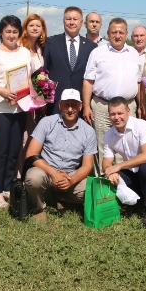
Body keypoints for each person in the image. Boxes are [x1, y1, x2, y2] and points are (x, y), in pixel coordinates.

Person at [24, 89, 97, 222]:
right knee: (33, 178)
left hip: (70, 174)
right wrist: (54, 173)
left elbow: (87, 165)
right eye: (66, 104)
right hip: (46, 171)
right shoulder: (46, 122)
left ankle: (61, 197)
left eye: (74, 105)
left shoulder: (89, 131)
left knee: (92, 191)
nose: (70, 109)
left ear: (80, 106)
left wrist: (71, 180)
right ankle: (39, 208)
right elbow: (31, 154)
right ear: (59, 105)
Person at [0, 16, 31, 207]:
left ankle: (7, 186)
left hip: (20, 108)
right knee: (1, 151)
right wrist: (2, 91)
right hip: (1, 109)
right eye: (8, 31)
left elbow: (29, 78)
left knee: (14, 151)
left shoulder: (25, 52)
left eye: (15, 31)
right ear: (1, 33)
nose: (11, 35)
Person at [83, 18, 142, 165]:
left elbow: (138, 82)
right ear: (108, 33)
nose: (117, 35)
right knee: (103, 144)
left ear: (126, 34)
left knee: (127, 143)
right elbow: (88, 80)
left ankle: (124, 177)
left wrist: (141, 106)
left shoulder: (134, 53)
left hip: (128, 106)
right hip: (102, 106)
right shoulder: (97, 52)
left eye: (121, 32)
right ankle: (103, 177)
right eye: (114, 32)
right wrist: (86, 106)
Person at [102, 97, 146, 227]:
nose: (116, 117)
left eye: (120, 113)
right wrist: (110, 172)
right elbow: (106, 163)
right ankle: (124, 202)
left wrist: (118, 166)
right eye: (112, 114)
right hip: (133, 173)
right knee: (110, 177)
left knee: (145, 168)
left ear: (128, 111)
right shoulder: (109, 135)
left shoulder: (141, 125)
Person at [42, 6, 98, 115]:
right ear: (64, 21)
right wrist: (43, 100)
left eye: (75, 19)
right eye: (68, 19)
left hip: (81, 103)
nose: (72, 22)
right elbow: (44, 73)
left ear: (81, 23)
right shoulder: (51, 42)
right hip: (55, 102)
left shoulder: (91, 46)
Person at [16, 14, 48, 176]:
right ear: (25, 28)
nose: (35, 28)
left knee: (32, 138)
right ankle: (18, 175)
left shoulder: (41, 48)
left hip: (37, 101)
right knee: (22, 139)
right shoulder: (19, 46)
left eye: (38, 26)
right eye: (31, 25)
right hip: (22, 100)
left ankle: (27, 173)